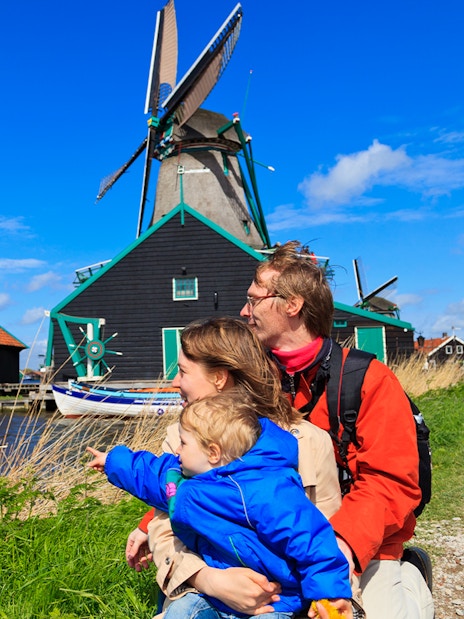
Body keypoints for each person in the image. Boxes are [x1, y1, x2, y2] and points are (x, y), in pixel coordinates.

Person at [236, 240, 434, 619]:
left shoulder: (369, 381)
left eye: (254, 299)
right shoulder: (250, 381)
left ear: (292, 305)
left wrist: (339, 546)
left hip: (361, 543)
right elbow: (205, 455)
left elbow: (390, 481)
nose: (245, 311)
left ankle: (411, 579)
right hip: (278, 540)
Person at [125, 317, 346, 618]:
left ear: (219, 378)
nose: (175, 382)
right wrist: (209, 580)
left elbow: (329, 537)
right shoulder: (179, 441)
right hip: (201, 594)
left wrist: (337, 603)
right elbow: (165, 530)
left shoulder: (310, 442)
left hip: (284, 603)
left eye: (183, 371)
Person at [87, 392, 353, 619]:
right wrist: (112, 460)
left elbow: (312, 540)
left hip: (276, 599)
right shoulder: (183, 479)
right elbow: (148, 473)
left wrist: (329, 593)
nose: (177, 451)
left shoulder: (265, 491)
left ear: (213, 452)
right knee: (182, 612)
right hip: (217, 594)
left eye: (183, 442)